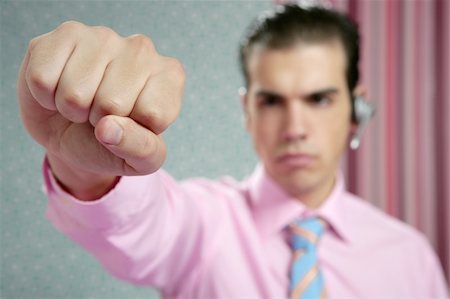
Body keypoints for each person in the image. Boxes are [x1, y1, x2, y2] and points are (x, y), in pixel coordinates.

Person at [17, 4, 448, 299]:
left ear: (356, 109)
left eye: (319, 99)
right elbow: (137, 221)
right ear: (247, 110)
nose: (295, 128)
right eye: (272, 101)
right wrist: (83, 164)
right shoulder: (201, 224)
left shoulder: (410, 258)